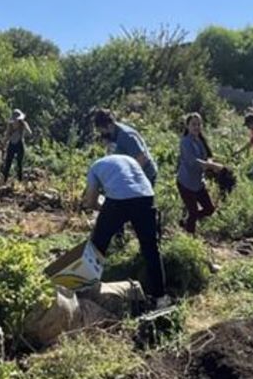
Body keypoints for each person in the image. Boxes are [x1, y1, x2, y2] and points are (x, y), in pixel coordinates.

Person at [81, 154, 167, 305]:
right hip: (146, 197)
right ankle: (160, 297)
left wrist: (101, 208)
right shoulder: (130, 159)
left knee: (97, 245)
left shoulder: (95, 167)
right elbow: (133, 184)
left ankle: (87, 289)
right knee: (151, 249)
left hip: (118, 200)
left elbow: (91, 200)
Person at [176, 113, 225, 234]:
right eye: (193, 124)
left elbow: (206, 156)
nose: (196, 127)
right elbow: (195, 161)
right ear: (187, 126)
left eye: (198, 124)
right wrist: (213, 166)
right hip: (186, 183)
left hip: (198, 183)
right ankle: (189, 239)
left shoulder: (199, 140)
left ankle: (186, 222)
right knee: (193, 212)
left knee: (209, 209)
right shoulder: (185, 142)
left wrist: (210, 162)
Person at [91, 108, 158, 186]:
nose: (101, 133)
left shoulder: (127, 136)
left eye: (101, 130)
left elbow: (141, 159)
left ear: (109, 125)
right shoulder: (111, 134)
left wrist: (130, 179)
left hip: (145, 176)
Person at [2, 109, 31, 182]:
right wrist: (3, 145)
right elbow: (6, 136)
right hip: (11, 144)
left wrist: (25, 127)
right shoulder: (10, 125)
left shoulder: (23, 124)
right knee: (8, 163)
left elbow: (29, 133)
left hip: (20, 144)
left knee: (19, 164)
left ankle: (20, 181)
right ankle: (4, 180)